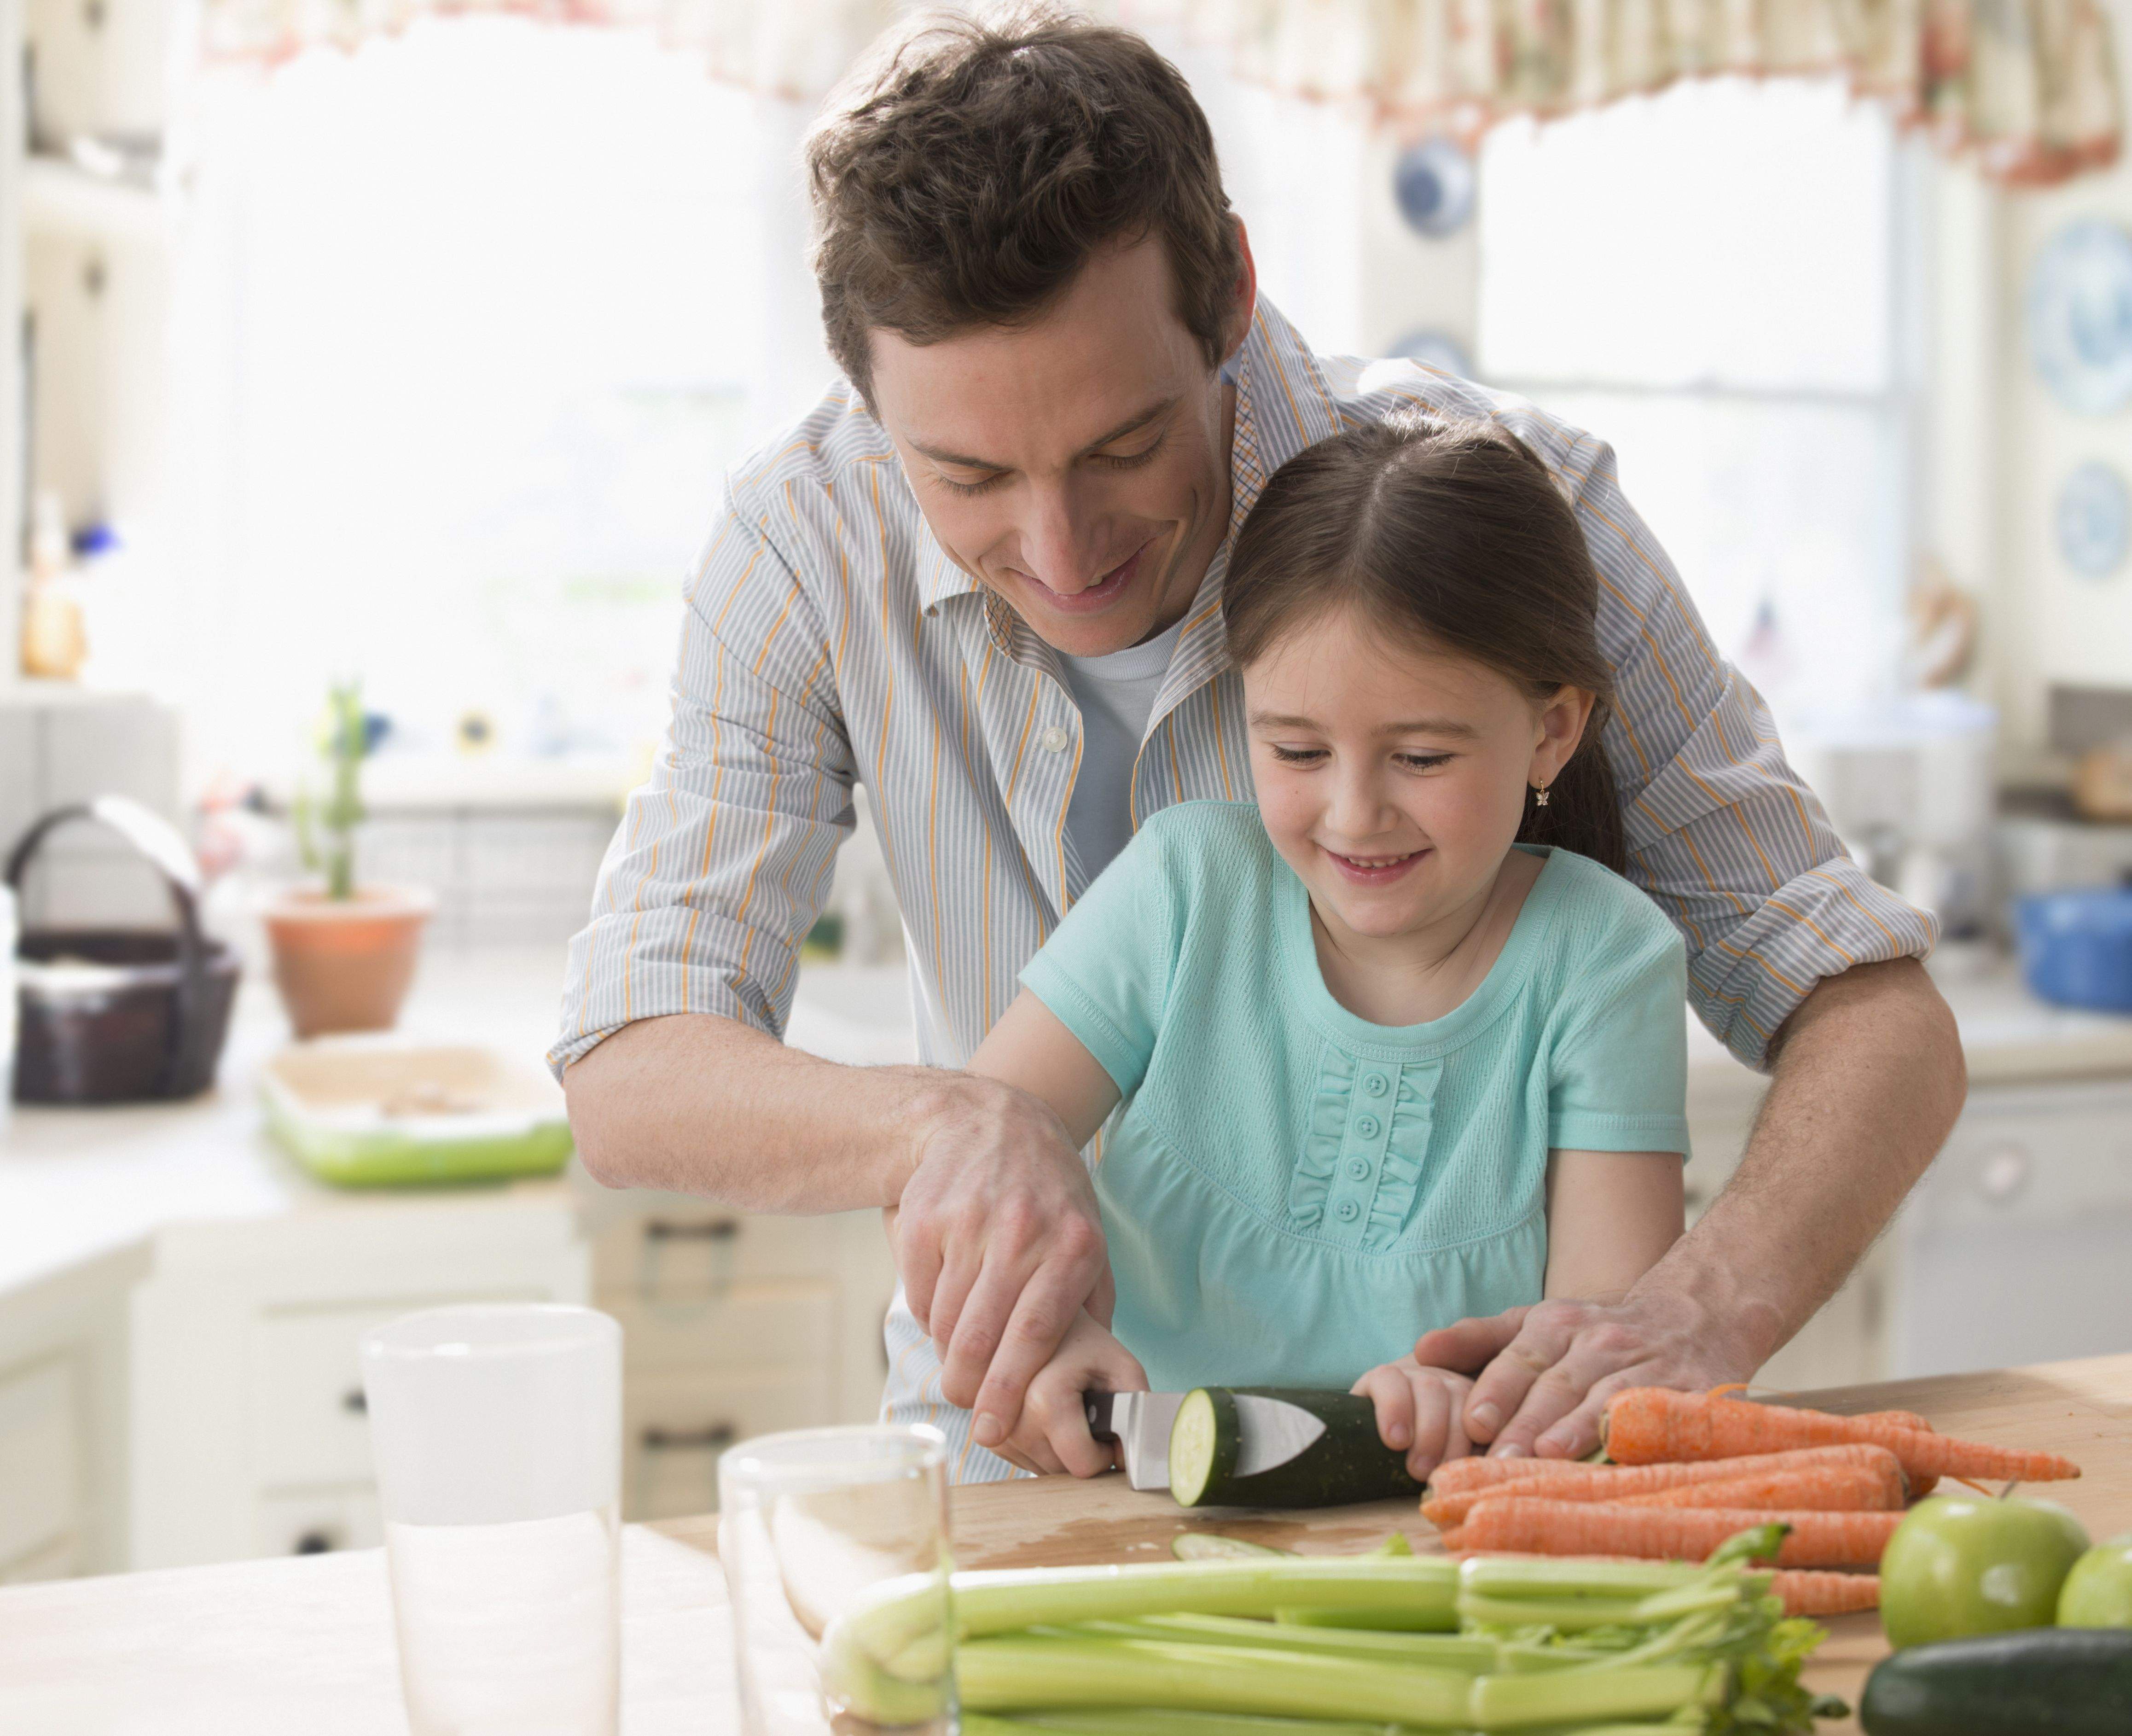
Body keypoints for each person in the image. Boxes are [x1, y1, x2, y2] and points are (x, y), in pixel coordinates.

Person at [553, 8, 1966, 1486]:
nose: (1062, 550)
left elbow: (1870, 1010)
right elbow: (628, 1066)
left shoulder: (1498, 521)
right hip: (1013, 1456)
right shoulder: (805, 545)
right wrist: (948, 1129)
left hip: (1446, 1483)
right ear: (862, 388)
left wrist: (1683, 1314)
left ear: (1228, 289)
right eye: (966, 473)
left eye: (1121, 445)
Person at [966, 415, 1692, 1480]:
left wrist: (1472, 1404)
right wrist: (1036, 1331)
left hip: (1435, 1556)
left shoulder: (1603, 957)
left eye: (1422, 754)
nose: (1354, 814)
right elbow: (970, 1155)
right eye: (1297, 748)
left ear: (1552, 729)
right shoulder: (1184, 885)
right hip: (1121, 1520)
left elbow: (1604, 1363)